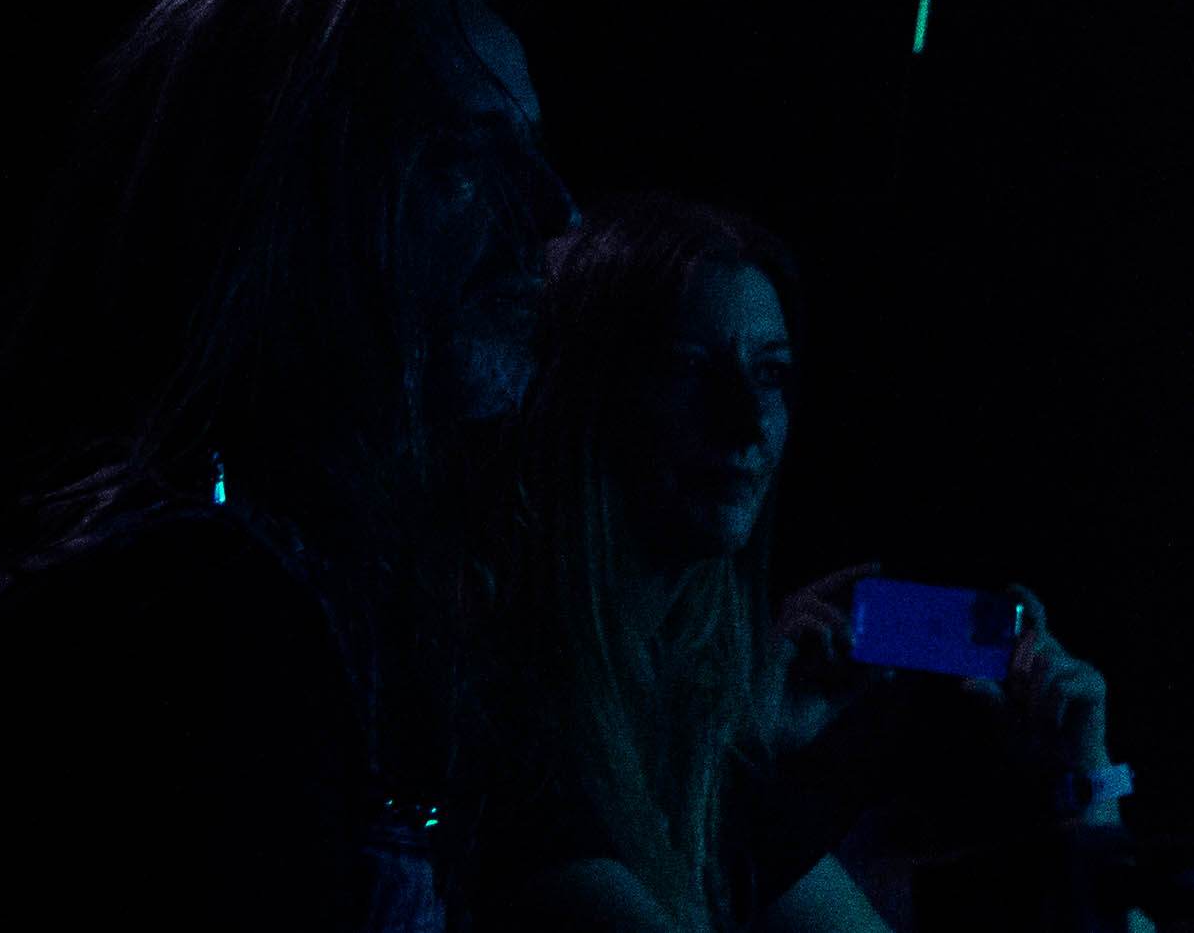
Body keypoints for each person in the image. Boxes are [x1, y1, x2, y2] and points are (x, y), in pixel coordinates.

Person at [0, 0, 570, 932]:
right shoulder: (185, 609)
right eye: (460, 158)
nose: (551, 210)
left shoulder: (287, 576)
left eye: (529, 149)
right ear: (281, 203)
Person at [483, 196, 1126, 933]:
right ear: (583, 392)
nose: (749, 420)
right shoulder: (506, 730)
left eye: (772, 373)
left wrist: (1085, 787)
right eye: (689, 367)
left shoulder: (695, 755)